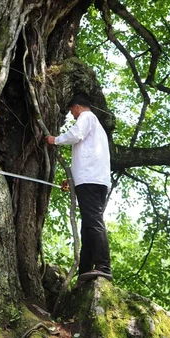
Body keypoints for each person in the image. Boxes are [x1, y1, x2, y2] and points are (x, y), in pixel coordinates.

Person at [46, 94, 112, 283]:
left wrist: (55, 140)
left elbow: (75, 134)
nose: (72, 116)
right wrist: (72, 179)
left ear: (76, 107)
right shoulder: (96, 126)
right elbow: (87, 156)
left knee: (93, 221)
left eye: (71, 112)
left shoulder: (87, 117)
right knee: (88, 226)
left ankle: (104, 266)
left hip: (90, 180)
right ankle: (85, 269)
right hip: (94, 179)